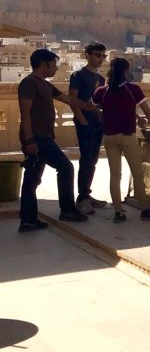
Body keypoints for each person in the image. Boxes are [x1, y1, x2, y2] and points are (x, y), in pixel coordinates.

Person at [18, 49, 95, 230]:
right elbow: (25, 114)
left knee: (32, 180)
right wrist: (29, 141)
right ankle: (67, 209)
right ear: (43, 65)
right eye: (53, 65)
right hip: (37, 138)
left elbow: (67, 99)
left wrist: (87, 106)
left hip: (44, 137)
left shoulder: (45, 84)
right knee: (66, 168)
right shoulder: (29, 84)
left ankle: (28, 220)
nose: (55, 68)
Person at [93, 58, 150, 223]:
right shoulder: (133, 89)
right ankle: (145, 209)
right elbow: (148, 112)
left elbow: (93, 107)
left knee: (115, 175)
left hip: (109, 136)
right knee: (138, 172)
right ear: (126, 71)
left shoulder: (102, 91)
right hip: (127, 136)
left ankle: (118, 212)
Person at [69, 42, 108, 214]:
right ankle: (82, 198)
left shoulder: (100, 79)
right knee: (85, 160)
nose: (101, 59)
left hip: (97, 124)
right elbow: (73, 100)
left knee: (92, 161)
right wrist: (82, 120)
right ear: (87, 55)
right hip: (85, 124)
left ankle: (87, 193)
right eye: (97, 55)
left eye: (103, 56)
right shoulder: (78, 75)